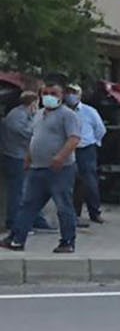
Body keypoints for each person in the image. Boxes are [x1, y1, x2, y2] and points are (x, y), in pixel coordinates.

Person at [2, 72, 82, 254]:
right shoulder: (38, 114)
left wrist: (60, 157)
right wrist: (29, 157)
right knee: (27, 204)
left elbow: (74, 139)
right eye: (46, 93)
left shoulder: (67, 115)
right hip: (37, 168)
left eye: (54, 94)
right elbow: (34, 137)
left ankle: (67, 242)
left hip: (60, 170)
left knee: (63, 206)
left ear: (62, 96)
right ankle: (16, 238)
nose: (49, 97)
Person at [2, 84, 47, 236]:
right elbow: (31, 134)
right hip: (16, 157)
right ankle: (14, 222)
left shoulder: (21, 115)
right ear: (32, 103)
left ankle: (32, 220)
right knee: (18, 191)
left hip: (22, 157)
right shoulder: (17, 117)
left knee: (26, 190)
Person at [66, 88, 106, 228]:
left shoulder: (89, 111)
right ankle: (74, 214)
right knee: (72, 181)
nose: (71, 96)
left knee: (90, 181)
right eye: (68, 92)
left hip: (86, 149)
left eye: (74, 93)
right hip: (68, 148)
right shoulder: (63, 111)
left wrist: (95, 142)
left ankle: (94, 212)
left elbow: (100, 129)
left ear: (80, 95)